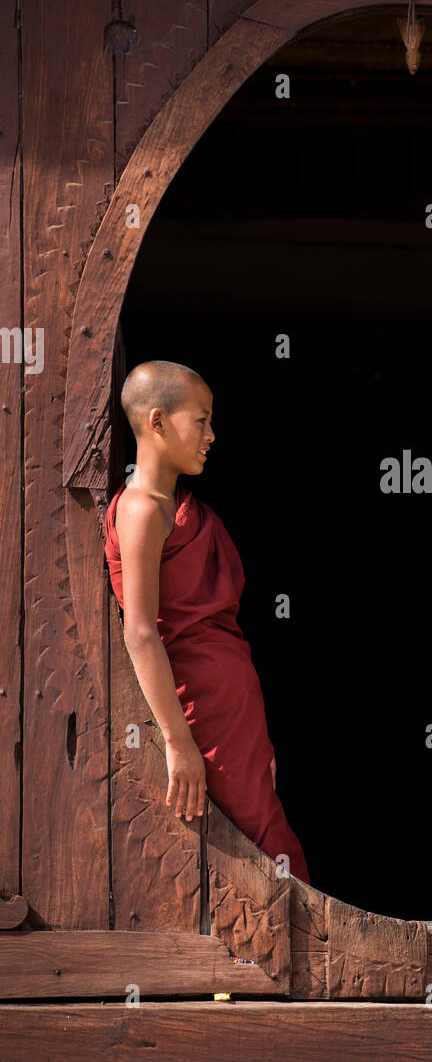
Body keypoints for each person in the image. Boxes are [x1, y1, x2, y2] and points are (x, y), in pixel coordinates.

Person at [103, 359, 310, 883]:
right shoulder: (143, 510)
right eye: (201, 420)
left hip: (231, 706)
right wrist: (178, 742)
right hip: (197, 709)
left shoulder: (180, 507)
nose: (211, 435)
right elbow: (140, 630)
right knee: (254, 857)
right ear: (156, 422)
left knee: (264, 836)